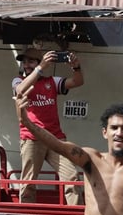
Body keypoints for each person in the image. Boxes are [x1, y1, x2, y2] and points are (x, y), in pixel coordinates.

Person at [12, 47, 84, 205]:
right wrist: (40, 67)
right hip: (31, 138)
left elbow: (78, 82)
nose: (26, 65)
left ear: (38, 61)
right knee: (29, 182)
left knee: (71, 176)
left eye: (30, 61)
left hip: (55, 138)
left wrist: (76, 66)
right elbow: (20, 90)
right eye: (24, 62)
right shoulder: (18, 80)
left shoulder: (51, 81)